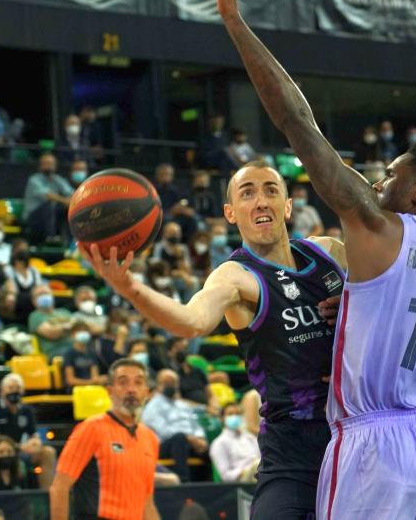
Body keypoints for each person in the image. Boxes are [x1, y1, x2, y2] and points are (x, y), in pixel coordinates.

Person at [217, 0, 416, 519]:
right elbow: (396, 309)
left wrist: (234, 23)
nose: (378, 185)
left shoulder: (378, 227)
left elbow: (294, 117)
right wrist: (353, 314)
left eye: (391, 176)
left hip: (377, 443)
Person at [79, 157, 347, 519]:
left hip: (358, 429)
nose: (261, 200)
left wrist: (357, 306)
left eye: (271, 190)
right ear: (231, 213)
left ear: (287, 207)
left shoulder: (330, 252)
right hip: (295, 448)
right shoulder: (234, 276)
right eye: (247, 193)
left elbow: (394, 298)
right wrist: (129, 288)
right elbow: (192, 321)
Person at [49, 358, 160, 520]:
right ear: (109, 390)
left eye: (138, 383)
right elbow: (60, 487)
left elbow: (147, 503)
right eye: (123, 383)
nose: (131, 389)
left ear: (147, 392)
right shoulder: (91, 428)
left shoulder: (150, 438)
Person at [0, 373, 57, 489]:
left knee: (48, 452)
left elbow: (34, 436)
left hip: (20, 451)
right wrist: (21, 447)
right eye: (11, 388)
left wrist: (35, 444)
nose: (14, 391)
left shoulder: (27, 410)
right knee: (5, 454)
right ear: (2, 391)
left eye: (18, 388)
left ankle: (47, 495)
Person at [141, 369, 208, 483]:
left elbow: (195, 424)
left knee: (207, 447)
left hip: (190, 442)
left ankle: (210, 484)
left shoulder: (182, 405)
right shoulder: (153, 406)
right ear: (158, 385)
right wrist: (189, 438)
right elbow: (163, 431)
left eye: (173, 383)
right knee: (179, 438)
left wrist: (200, 438)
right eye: (167, 383)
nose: (170, 386)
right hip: (164, 445)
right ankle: (184, 482)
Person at [22, 153, 73, 244]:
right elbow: (48, 195)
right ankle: (50, 237)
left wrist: (72, 202)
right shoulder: (34, 180)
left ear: (55, 166)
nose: (48, 166)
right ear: (40, 166)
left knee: (68, 209)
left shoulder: (58, 179)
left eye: (50, 164)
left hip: (52, 217)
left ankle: (69, 241)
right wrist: (65, 201)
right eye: (45, 163)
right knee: (49, 205)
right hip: (33, 217)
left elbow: (71, 193)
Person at [209, 402, 261, 482]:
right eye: (230, 414)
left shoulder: (251, 438)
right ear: (222, 418)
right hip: (240, 480)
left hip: (258, 472)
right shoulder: (219, 443)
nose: (235, 416)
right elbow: (225, 475)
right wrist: (244, 472)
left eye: (237, 414)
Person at [62, 322, 107, 391]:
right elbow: (70, 380)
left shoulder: (92, 353)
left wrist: (101, 379)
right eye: (80, 331)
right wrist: (91, 382)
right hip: (75, 391)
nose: (83, 334)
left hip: (91, 389)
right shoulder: (69, 354)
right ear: (72, 335)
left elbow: (94, 376)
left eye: (85, 331)